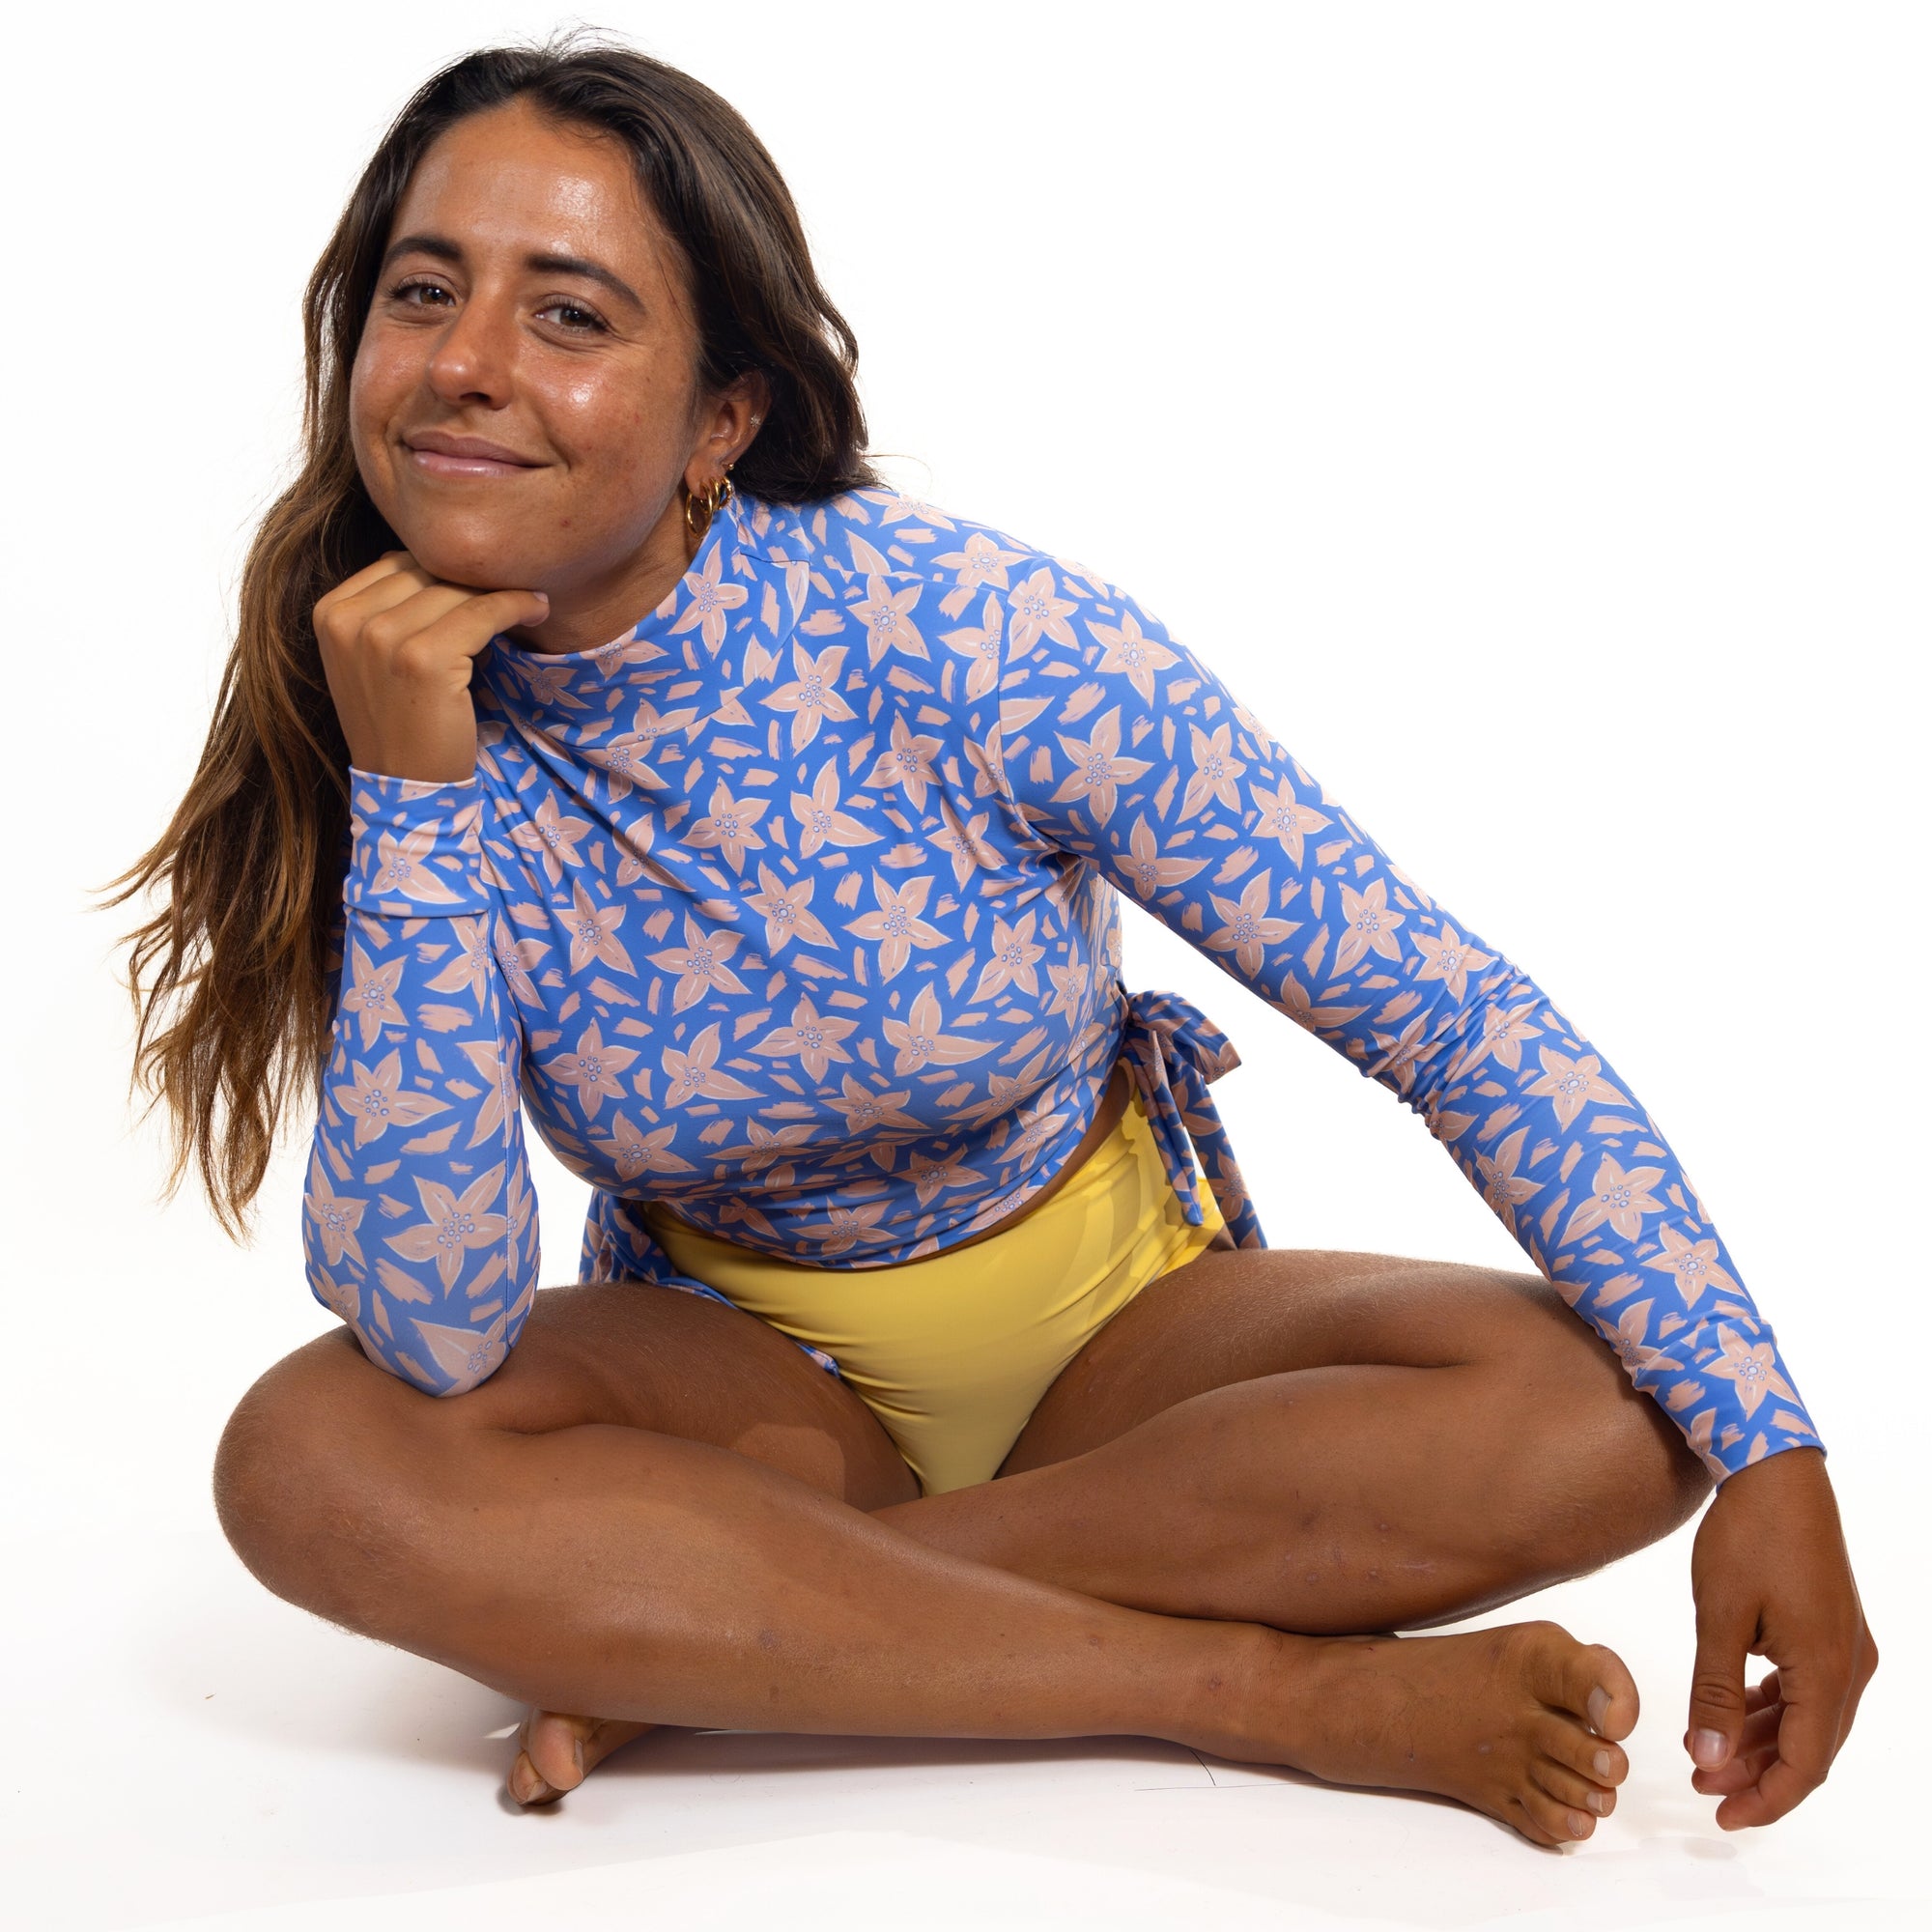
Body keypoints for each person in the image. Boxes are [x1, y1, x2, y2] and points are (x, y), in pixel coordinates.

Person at [116, 38, 1873, 1848]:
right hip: (745, 1399)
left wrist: (1771, 1443)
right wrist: (413, 798)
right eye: (424, 293)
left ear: (723, 420)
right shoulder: (381, 690)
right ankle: (1265, 1692)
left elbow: (1448, 1016)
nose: (467, 363)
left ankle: (746, 1636)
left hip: (1133, 1366)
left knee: (1616, 1410)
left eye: (570, 314)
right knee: (312, 1465)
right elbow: (433, 1333)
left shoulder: (966, 634)